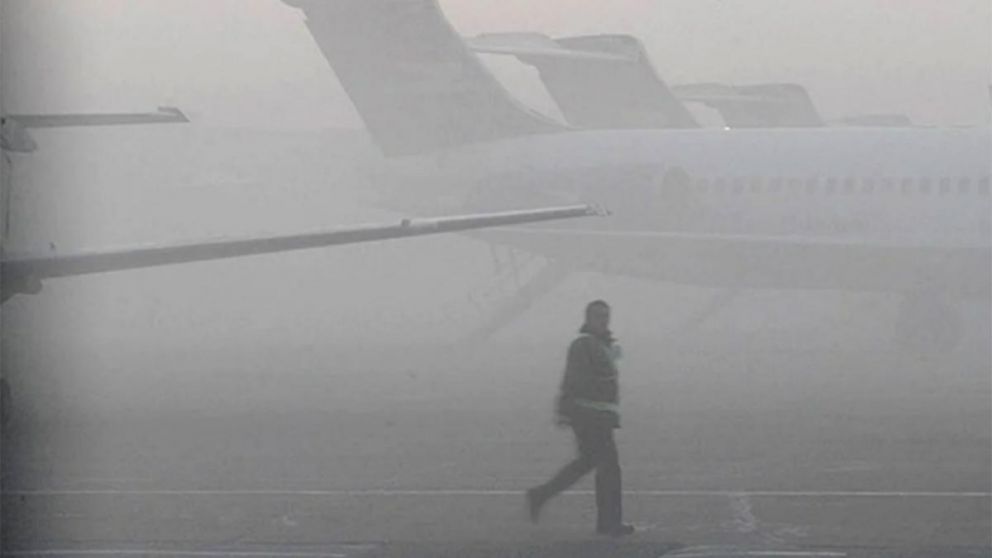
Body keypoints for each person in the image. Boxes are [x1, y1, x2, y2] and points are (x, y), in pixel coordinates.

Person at [526, 300, 634, 537]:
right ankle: (609, 523)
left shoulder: (601, 344)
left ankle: (541, 494)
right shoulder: (584, 344)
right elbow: (574, 378)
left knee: (588, 462)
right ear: (588, 318)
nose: (603, 321)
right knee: (609, 468)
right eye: (599, 316)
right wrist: (567, 409)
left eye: (606, 316)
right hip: (589, 415)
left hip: (598, 414)